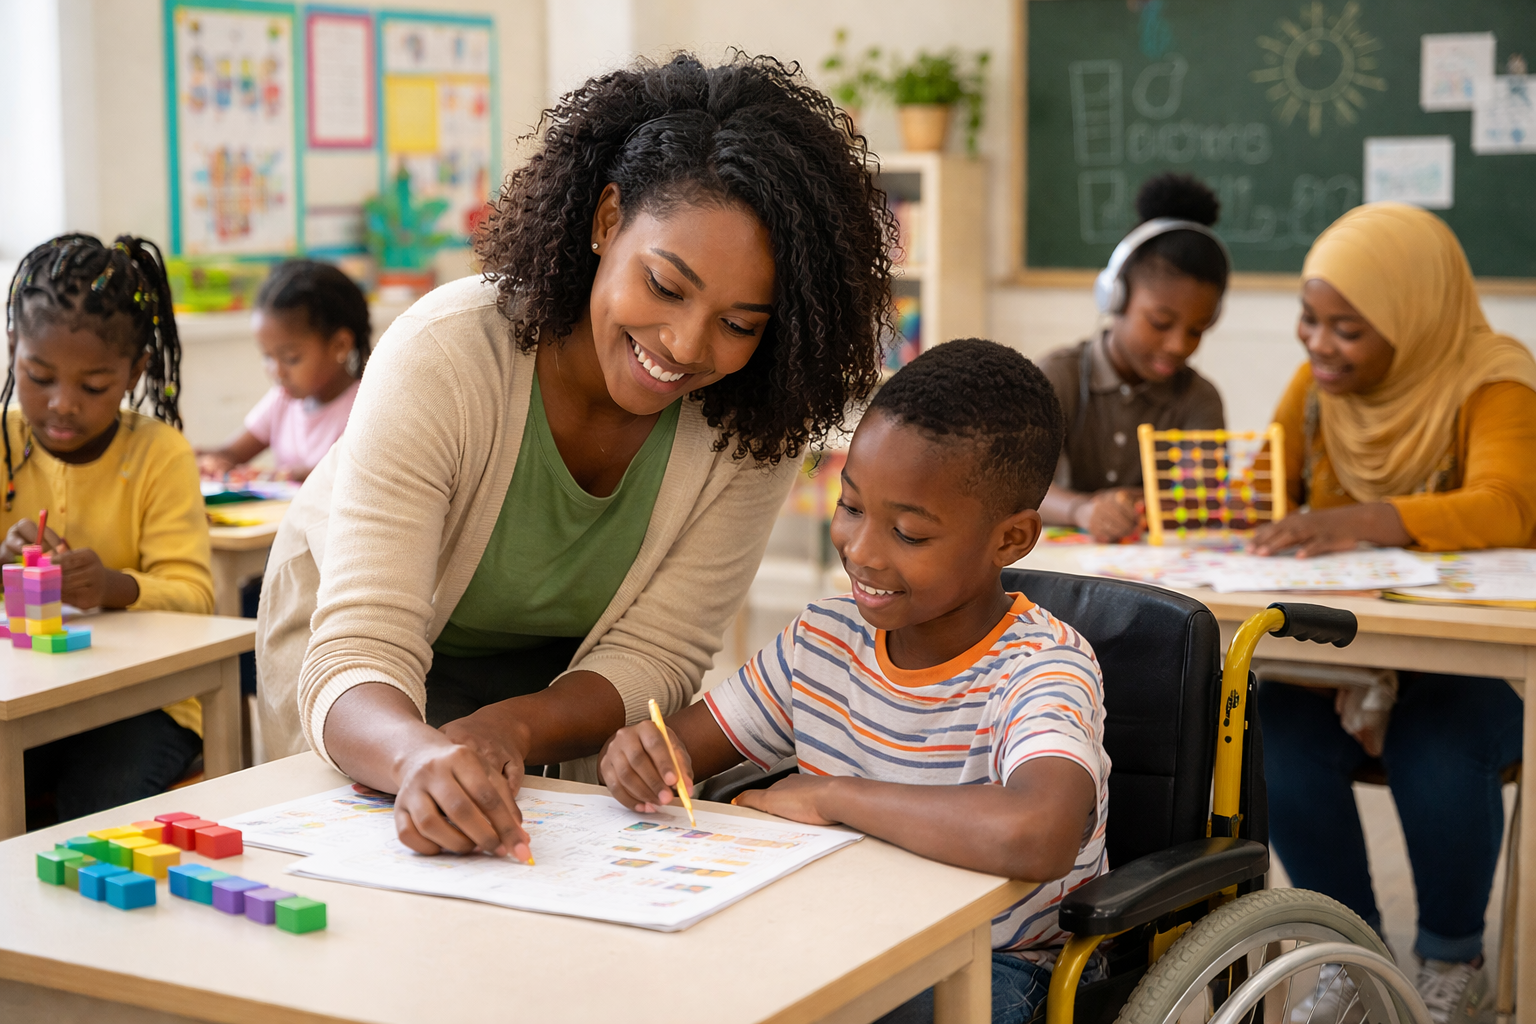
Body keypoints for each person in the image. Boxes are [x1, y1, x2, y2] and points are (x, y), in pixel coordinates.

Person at [256, 54, 894, 864]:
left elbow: (659, 653)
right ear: (605, 220)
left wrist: (510, 725)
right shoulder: (445, 357)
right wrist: (418, 755)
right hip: (371, 681)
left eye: (739, 324)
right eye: (665, 286)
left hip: (559, 687)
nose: (686, 346)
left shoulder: (757, 418)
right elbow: (361, 644)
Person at [602, 340, 1109, 1024]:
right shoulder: (823, 640)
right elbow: (684, 745)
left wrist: (834, 796)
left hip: (995, 963)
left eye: (908, 533)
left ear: (1011, 540)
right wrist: (650, 754)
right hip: (842, 937)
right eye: (851, 507)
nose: (863, 550)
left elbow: (1037, 833)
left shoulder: (1042, 668)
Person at [1250, 203, 1536, 1023]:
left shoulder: (1494, 379)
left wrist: (1363, 517)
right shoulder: (1318, 389)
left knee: (1439, 736)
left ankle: (1453, 960)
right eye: (1310, 319)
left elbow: (1509, 507)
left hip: (1474, 667)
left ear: (1415, 317)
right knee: (1275, 729)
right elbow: (1266, 491)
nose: (1318, 345)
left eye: (1348, 328)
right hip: (1347, 656)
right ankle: (1352, 955)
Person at [2, 233, 212, 826]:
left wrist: (114, 587)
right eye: (39, 377)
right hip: (26, 701)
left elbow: (197, 597)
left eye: (92, 386)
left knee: (94, 812)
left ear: (134, 372)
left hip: (147, 702)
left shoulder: (159, 455)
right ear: (13, 347)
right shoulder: (4, 444)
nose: (63, 403)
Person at [1038, 173, 1229, 542]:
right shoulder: (1055, 377)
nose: (1177, 345)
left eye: (1197, 330)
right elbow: (1019, 486)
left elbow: (1200, 502)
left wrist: (1142, 504)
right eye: (1160, 322)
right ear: (1115, 297)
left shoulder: (1199, 400)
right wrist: (1082, 510)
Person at [197, 259, 370, 482]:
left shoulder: (364, 410)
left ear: (340, 345)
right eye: (267, 356)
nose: (276, 372)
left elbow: (346, 477)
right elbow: (230, 453)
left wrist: (277, 476)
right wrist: (214, 461)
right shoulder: (282, 401)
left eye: (291, 358)